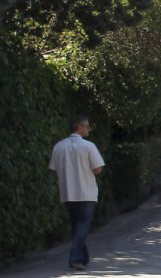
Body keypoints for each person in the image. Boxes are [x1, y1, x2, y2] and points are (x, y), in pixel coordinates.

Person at [49, 115, 105, 272]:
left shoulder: (59, 146)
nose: (88, 129)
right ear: (79, 128)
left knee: (76, 225)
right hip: (86, 191)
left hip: (68, 192)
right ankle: (74, 258)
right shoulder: (88, 146)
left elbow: (52, 169)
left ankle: (83, 257)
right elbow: (98, 169)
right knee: (83, 225)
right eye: (87, 126)